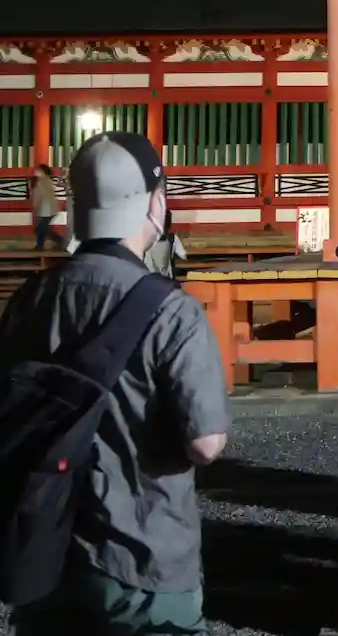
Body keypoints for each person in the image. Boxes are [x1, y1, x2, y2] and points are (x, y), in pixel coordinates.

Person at [0, 132, 230, 636]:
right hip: (143, 553)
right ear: (155, 203)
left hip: (45, 549)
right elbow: (205, 443)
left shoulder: (30, 298)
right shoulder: (173, 311)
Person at [142, 209, 189, 279]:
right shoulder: (173, 238)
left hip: (148, 279)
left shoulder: (143, 239)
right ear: (169, 223)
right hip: (167, 279)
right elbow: (184, 256)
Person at [29, 163, 65, 251]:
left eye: (38, 170)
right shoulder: (46, 180)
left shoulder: (42, 181)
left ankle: (61, 241)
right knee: (42, 228)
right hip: (48, 209)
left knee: (42, 228)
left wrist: (35, 206)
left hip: (46, 210)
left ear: (42, 171)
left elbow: (39, 196)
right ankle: (40, 246)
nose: (36, 171)